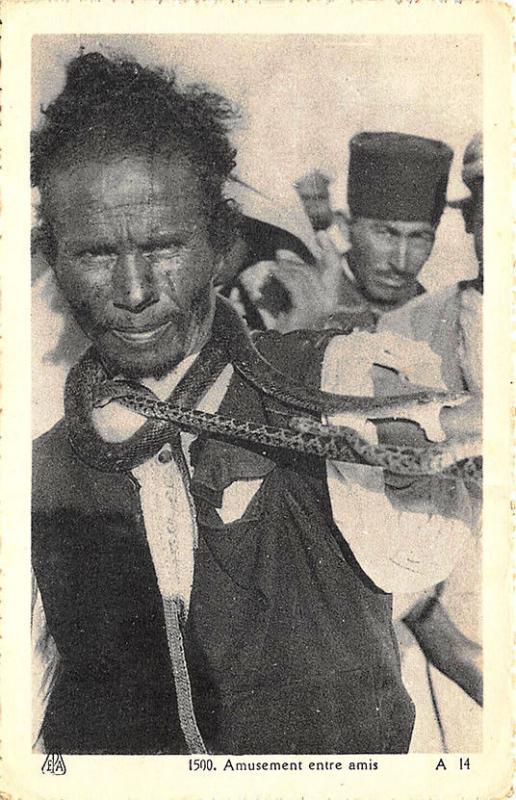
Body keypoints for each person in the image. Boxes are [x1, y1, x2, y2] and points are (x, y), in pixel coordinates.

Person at [31, 52, 478, 756]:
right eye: (93, 254)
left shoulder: (329, 373)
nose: (135, 288)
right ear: (52, 258)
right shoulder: (39, 469)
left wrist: (429, 440)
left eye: (165, 245)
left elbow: (407, 428)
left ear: (219, 245)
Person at [315, 132, 453, 330]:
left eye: (419, 238)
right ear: (345, 228)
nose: (400, 263)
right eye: (385, 233)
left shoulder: (439, 320)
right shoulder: (305, 304)